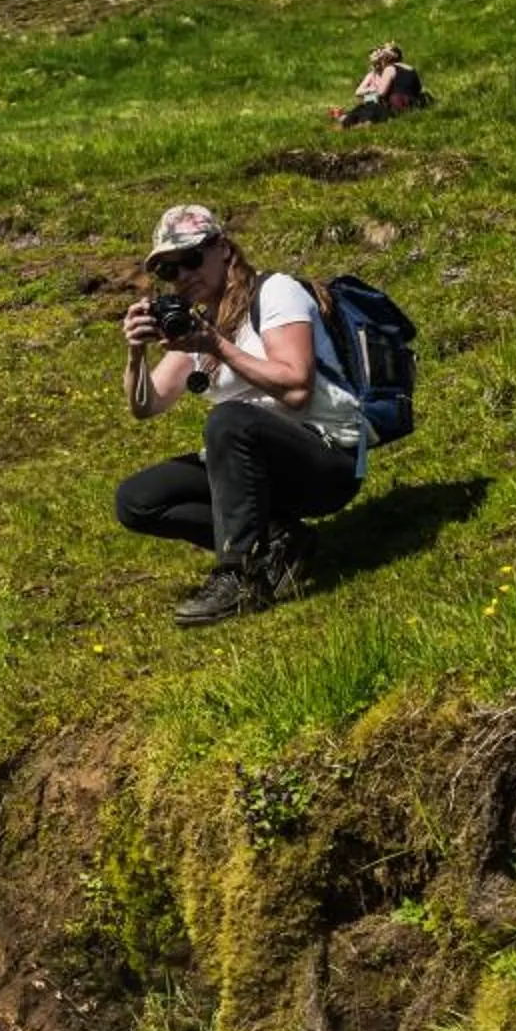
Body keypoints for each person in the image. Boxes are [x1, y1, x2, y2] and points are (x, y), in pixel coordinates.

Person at [112, 204, 372, 626]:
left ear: (224, 250)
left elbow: (297, 386)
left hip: (327, 460)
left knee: (229, 419)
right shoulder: (198, 323)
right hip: (258, 467)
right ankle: (278, 539)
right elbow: (147, 405)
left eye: (192, 260)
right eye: (169, 271)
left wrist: (217, 346)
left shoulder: (274, 292)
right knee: (137, 501)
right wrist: (135, 351)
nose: (183, 277)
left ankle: (239, 574)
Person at [333, 42, 422, 128]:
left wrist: (369, 96)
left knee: (367, 108)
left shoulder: (390, 69)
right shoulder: (411, 68)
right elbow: (418, 88)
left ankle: (349, 122)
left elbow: (381, 93)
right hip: (413, 103)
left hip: (397, 104)